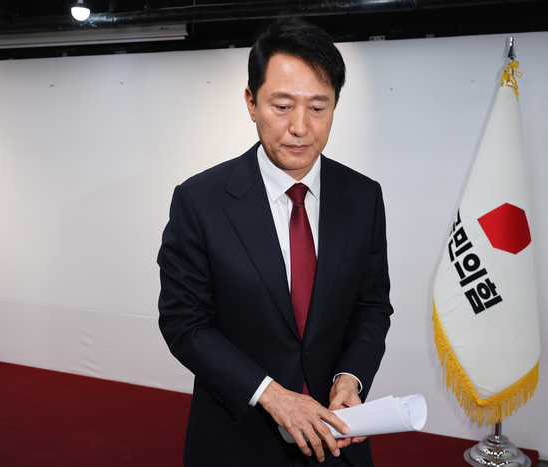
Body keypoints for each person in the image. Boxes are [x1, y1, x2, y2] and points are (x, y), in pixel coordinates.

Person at [158, 17, 393, 467]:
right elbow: (185, 324)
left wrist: (351, 377)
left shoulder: (363, 196)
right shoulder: (200, 200)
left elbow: (371, 306)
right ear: (252, 102)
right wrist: (271, 394)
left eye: (318, 108)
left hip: (337, 437)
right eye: (282, 106)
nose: (300, 127)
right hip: (236, 439)